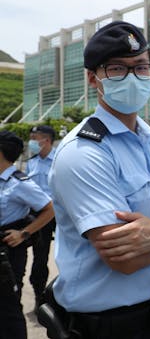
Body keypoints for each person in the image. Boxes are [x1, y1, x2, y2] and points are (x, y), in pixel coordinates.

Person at [47, 20, 150, 338]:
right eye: (118, 69)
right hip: (110, 325)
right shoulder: (84, 153)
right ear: (94, 78)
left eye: (141, 67)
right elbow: (123, 259)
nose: (134, 77)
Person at [0, 131, 55, 339]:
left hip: (9, 252)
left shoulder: (19, 183)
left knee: (9, 306)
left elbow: (50, 209)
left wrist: (23, 234)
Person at [25, 125, 57, 309]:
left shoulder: (60, 160)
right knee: (40, 257)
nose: (31, 142)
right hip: (40, 215)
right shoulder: (32, 162)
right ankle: (40, 295)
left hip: (61, 213)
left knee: (70, 253)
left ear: (45, 140)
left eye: (34, 138)